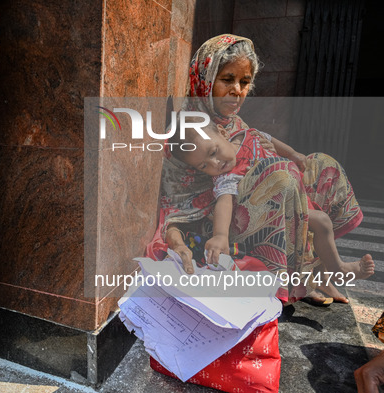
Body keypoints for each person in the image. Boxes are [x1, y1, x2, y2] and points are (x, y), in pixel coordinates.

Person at [149, 34, 364, 303]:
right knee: (281, 176)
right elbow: (175, 210)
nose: (237, 90)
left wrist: (291, 158)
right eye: (227, 79)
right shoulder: (186, 135)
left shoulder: (234, 124)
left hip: (260, 202)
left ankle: (314, 272)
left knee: (322, 166)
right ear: (205, 78)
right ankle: (288, 285)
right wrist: (180, 245)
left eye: (244, 82)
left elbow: (261, 143)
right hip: (219, 223)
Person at [172, 121, 375, 284]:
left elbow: (272, 140)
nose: (216, 163)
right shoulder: (227, 176)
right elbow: (224, 202)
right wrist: (220, 235)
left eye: (214, 152)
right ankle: (337, 268)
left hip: (297, 195)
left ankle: (320, 269)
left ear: (223, 133)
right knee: (322, 222)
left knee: (322, 164)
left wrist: (294, 154)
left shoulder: (249, 135)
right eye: (204, 165)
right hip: (275, 216)